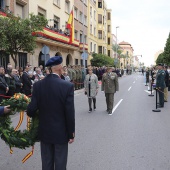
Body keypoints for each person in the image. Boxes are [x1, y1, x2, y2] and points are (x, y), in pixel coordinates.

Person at [27, 56, 75, 170]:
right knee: (60, 165)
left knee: (47, 164)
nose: (63, 68)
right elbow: (69, 113)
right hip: (61, 133)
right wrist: (71, 133)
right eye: (62, 66)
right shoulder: (67, 86)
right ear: (58, 67)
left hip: (45, 133)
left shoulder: (38, 85)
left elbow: (31, 110)